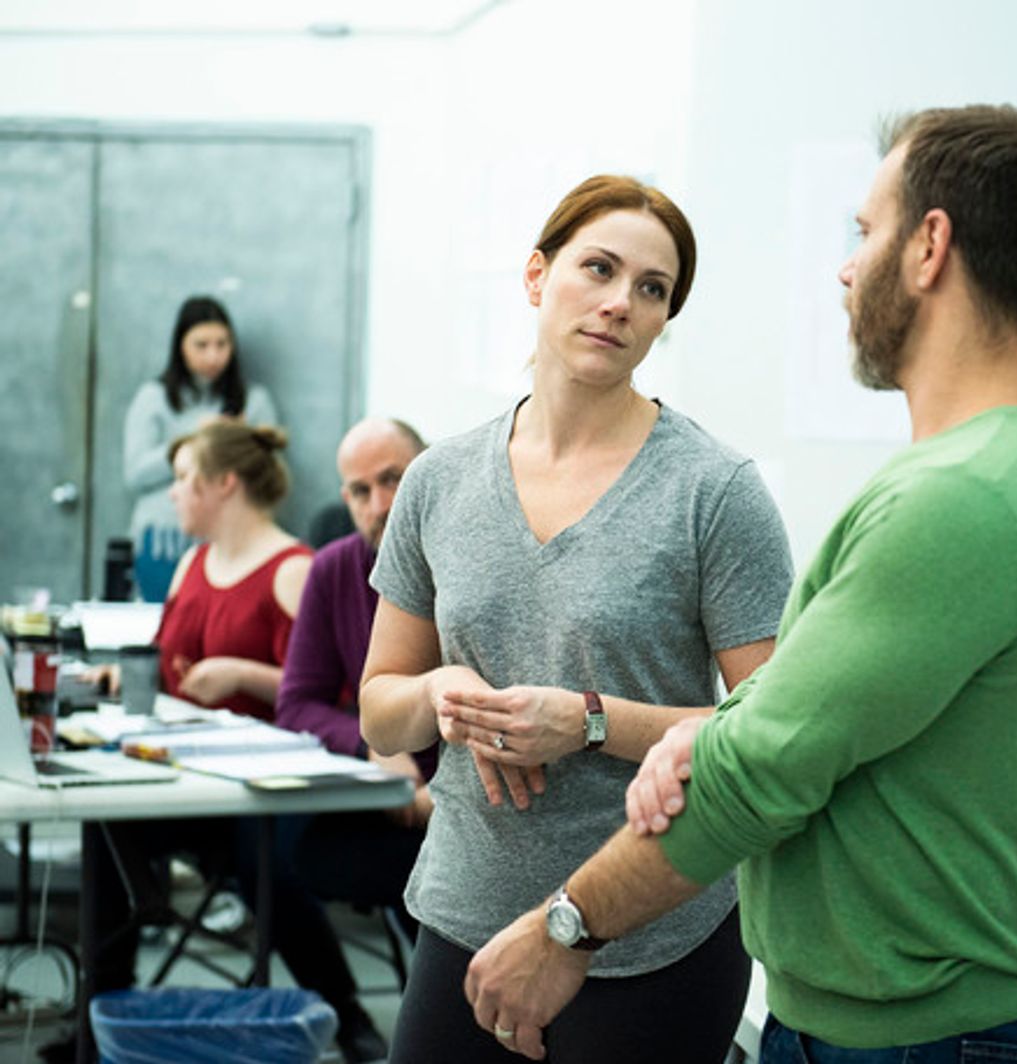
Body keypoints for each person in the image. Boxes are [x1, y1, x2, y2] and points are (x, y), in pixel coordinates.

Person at [462, 104, 1017, 1064]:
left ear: (930, 247)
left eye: (866, 232)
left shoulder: (963, 500)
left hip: (912, 1040)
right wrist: (709, 726)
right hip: (894, 1024)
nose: (849, 267)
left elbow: (761, 776)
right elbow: (794, 711)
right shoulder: (1016, 468)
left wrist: (565, 928)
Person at [359, 175, 794, 1064]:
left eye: (651, 289)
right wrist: (442, 692)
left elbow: (774, 732)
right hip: (463, 921)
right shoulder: (439, 480)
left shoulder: (714, 492)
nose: (619, 303)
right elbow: (379, 705)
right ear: (535, 277)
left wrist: (587, 722)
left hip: (649, 934)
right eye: (598, 268)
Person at [89, 422, 386, 1064]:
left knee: (264, 861)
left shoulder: (293, 572)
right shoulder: (193, 563)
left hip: (272, 784)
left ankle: (345, 1011)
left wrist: (242, 674)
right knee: (105, 828)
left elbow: (325, 695)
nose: (172, 495)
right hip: (192, 774)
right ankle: (100, 1015)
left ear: (223, 484)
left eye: (183, 480)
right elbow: (171, 664)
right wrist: (124, 675)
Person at [276, 416, 436, 938]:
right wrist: (374, 745)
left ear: (429, 472)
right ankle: (343, 1015)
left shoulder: (476, 563)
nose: (380, 505)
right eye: (360, 491)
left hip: (481, 802)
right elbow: (298, 703)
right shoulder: (334, 570)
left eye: (394, 479)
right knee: (291, 853)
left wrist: (449, 793)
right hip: (390, 803)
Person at [124, 295, 277, 601]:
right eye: (202, 345)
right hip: (163, 538)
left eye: (222, 344)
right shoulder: (154, 398)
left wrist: (234, 441)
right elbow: (135, 473)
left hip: (229, 536)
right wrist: (196, 439)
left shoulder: (253, 400)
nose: (213, 356)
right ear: (181, 346)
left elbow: (268, 474)